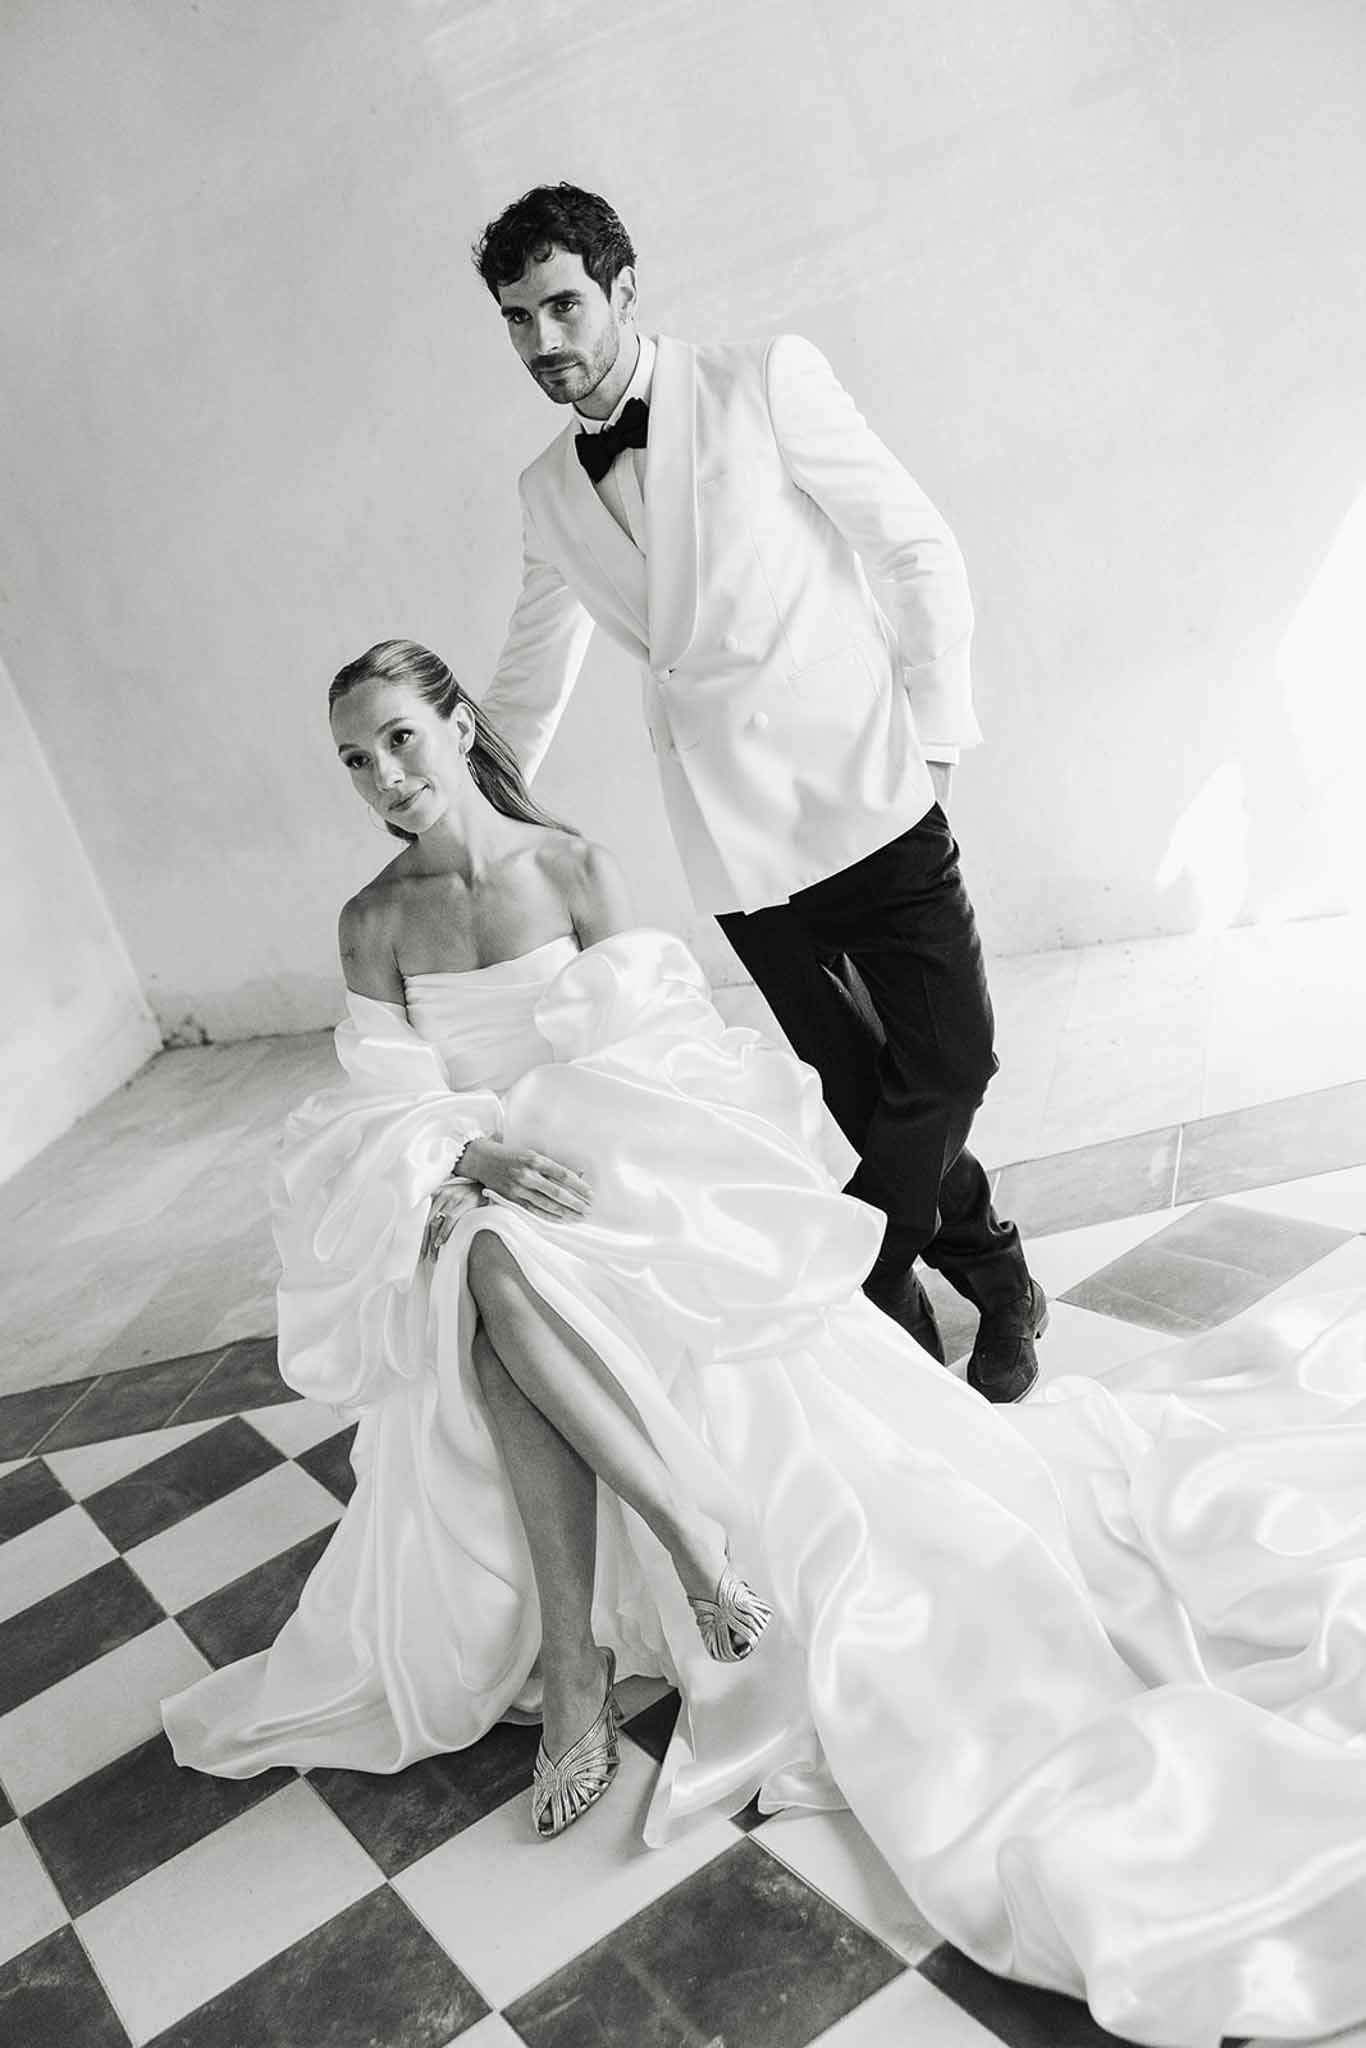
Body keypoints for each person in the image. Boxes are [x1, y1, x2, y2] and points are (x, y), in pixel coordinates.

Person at [163, 641, 1366, 2048]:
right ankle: (684, 1539)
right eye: (355, 760)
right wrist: (469, 1150)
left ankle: (575, 1676)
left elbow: (671, 1048)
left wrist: (551, 1142)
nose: (382, 781)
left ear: (457, 725)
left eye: (399, 742)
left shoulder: (566, 867)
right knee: (486, 1263)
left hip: (613, 1182)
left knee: (502, 1289)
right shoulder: (372, 922)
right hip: (484, 1201)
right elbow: (374, 1112)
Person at [475, 182, 1044, 1398]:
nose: (545, 342)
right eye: (519, 319)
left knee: (949, 1063)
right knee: (865, 1091)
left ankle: (866, 1269)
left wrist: (932, 744)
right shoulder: (544, 491)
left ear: (626, 290)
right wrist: (473, 799)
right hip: (735, 845)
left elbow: (914, 543)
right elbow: (531, 670)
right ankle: (996, 1278)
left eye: (565, 306)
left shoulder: (762, 378)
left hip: (869, 796)